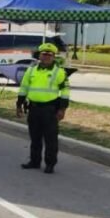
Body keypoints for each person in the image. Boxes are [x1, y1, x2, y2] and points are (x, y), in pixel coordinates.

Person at [16, 42, 71, 173]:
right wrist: (19, 104)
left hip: (50, 110)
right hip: (33, 108)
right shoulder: (31, 70)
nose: (46, 56)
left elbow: (65, 91)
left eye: (49, 55)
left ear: (53, 57)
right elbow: (24, 88)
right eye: (44, 54)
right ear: (39, 56)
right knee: (35, 138)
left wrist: (62, 109)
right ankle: (34, 161)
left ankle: (50, 164)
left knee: (50, 139)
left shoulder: (59, 72)